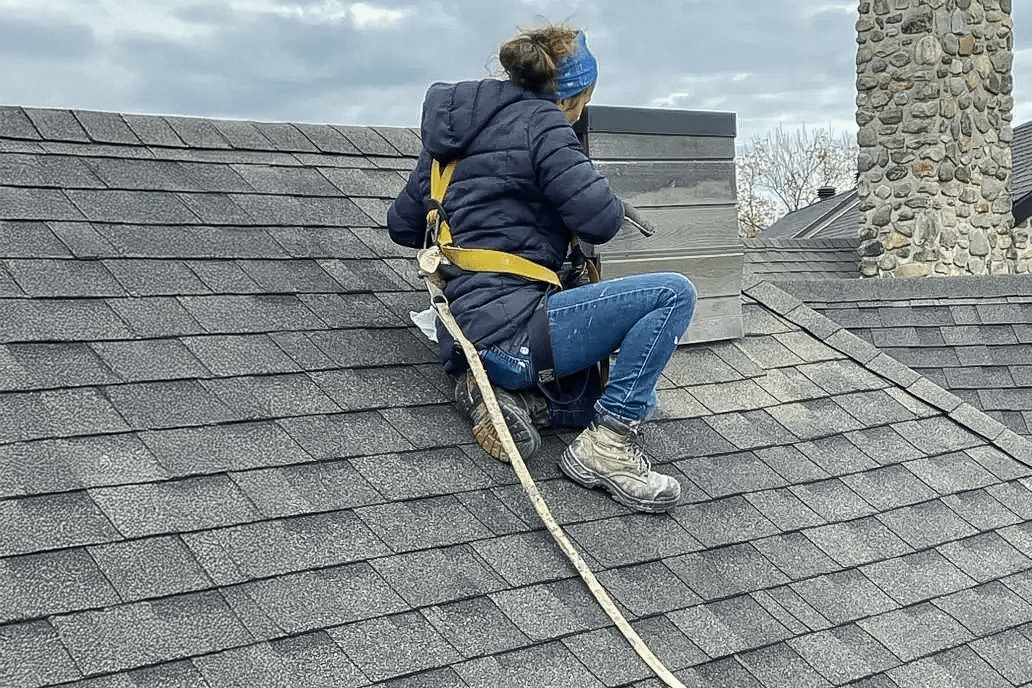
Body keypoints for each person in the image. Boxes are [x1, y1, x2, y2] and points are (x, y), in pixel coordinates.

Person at [387, 23, 696, 513]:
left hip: (464, 336)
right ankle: (608, 446)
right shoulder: (546, 123)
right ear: (576, 96)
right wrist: (592, 183)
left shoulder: (447, 137)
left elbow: (402, 226)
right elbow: (599, 222)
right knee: (672, 295)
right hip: (516, 337)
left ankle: (507, 399)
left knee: (593, 385)